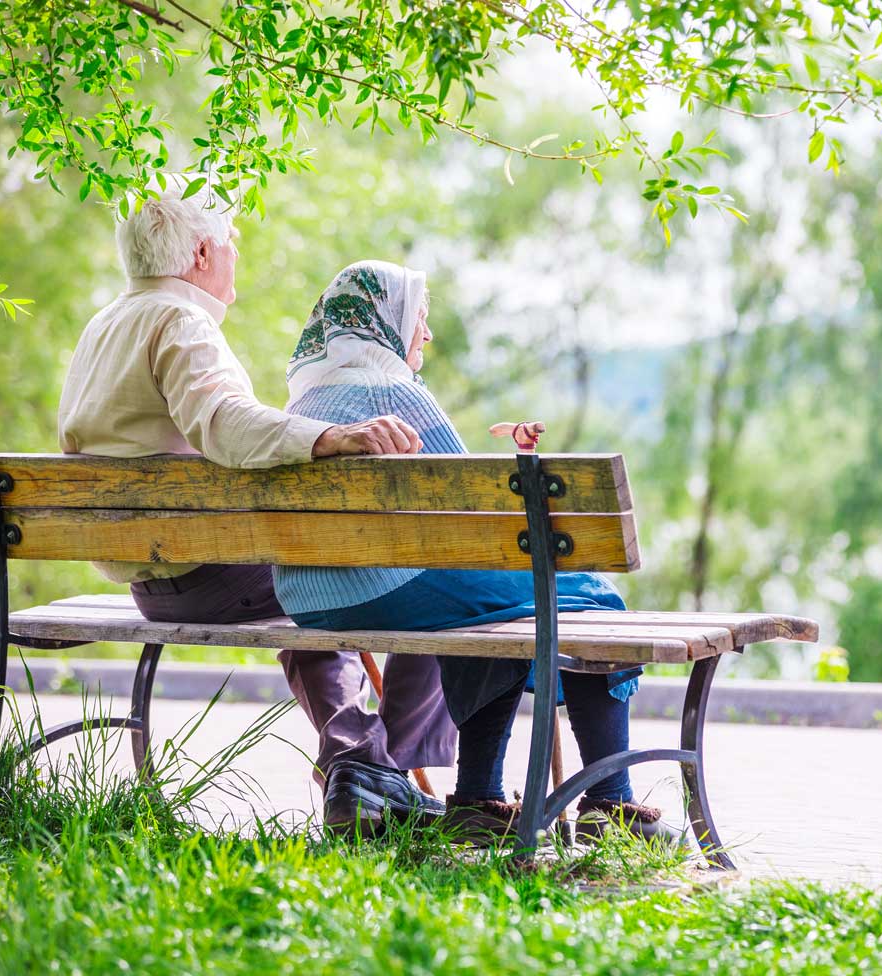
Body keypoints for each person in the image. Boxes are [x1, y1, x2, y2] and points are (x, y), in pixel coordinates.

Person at [57, 192, 456, 830]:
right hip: (207, 572)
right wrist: (330, 438)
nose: (235, 256)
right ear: (202, 252)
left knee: (306, 577)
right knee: (405, 580)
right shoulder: (178, 322)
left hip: (151, 585)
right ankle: (373, 766)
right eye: (231, 244)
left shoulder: (103, 325)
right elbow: (224, 422)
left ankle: (359, 760)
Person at [273, 260, 680, 845]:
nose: (427, 334)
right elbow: (476, 518)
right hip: (386, 588)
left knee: (489, 610)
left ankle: (480, 802)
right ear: (386, 319)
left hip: (310, 601)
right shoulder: (392, 391)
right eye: (421, 318)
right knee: (592, 598)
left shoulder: (298, 407)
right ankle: (608, 802)